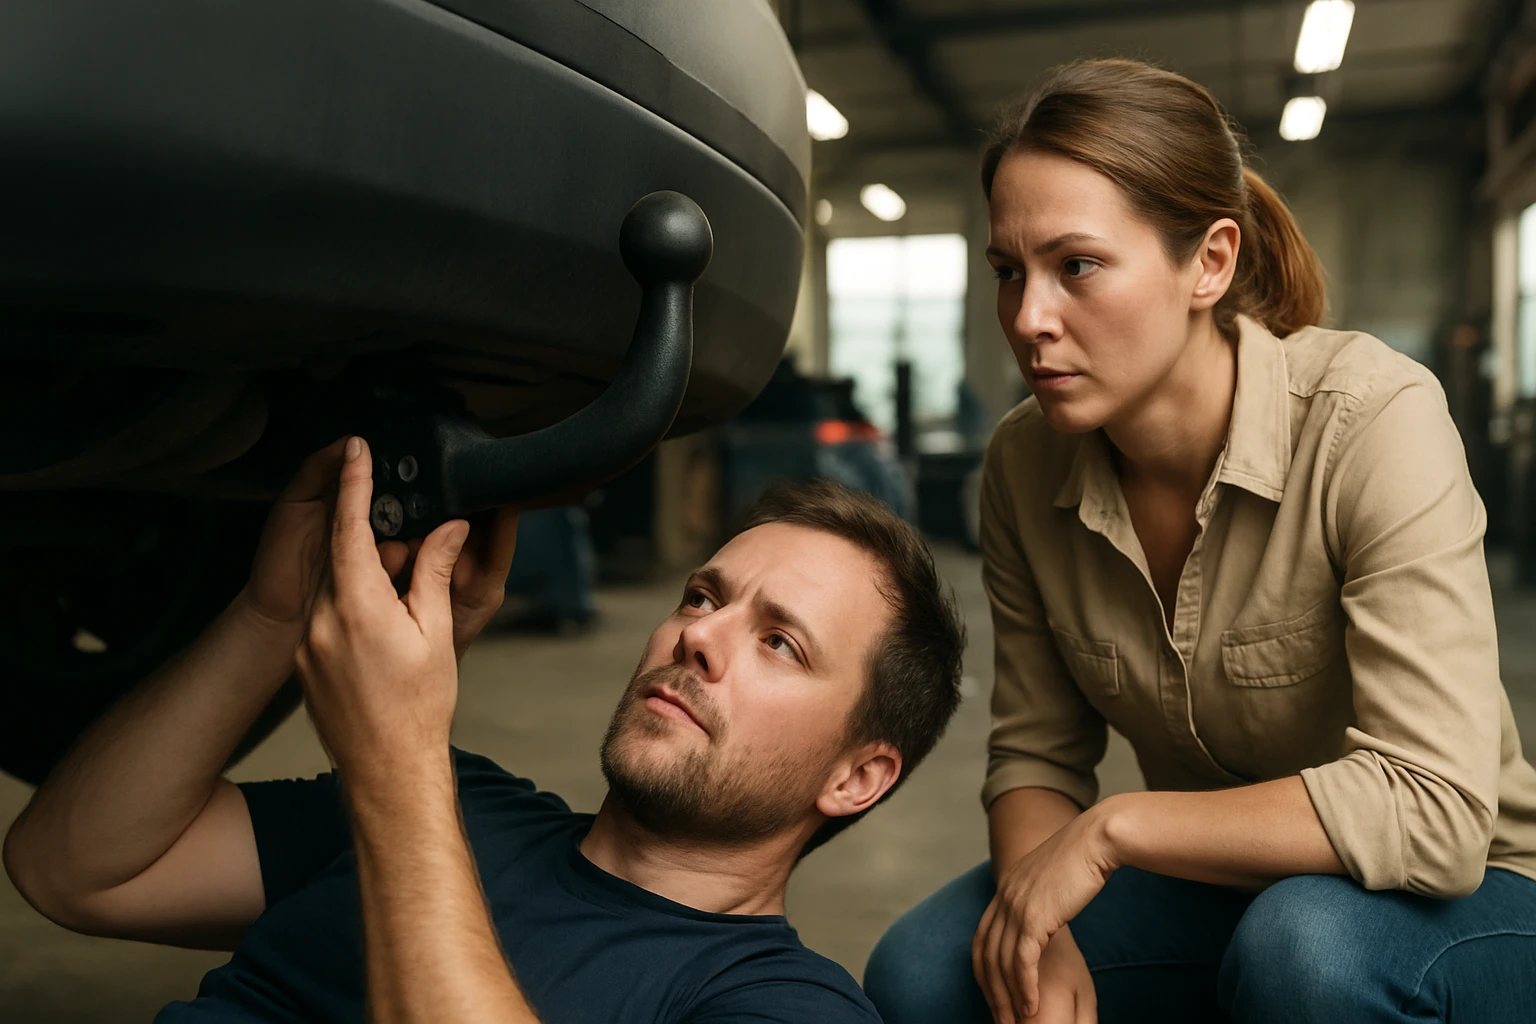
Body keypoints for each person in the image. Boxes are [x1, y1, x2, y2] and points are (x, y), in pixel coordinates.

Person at [863, 58, 1536, 1024]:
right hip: (1226, 887)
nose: (1029, 319)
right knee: (930, 971)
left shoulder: (1371, 418)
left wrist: (1115, 830)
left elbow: (1435, 811)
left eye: (1076, 266)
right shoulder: (1023, 463)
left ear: (1209, 264)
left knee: (1305, 949)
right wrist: (1039, 932)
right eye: (1008, 272)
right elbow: (1037, 754)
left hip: (1472, 898)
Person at [4, 436, 965, 1023]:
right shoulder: (461, 804)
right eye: (703, 596)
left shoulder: (782, 1004)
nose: (698, 636)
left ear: (856, 777)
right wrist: (271, 614)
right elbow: (73, 869)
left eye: (780, 643)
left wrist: (396, 760)